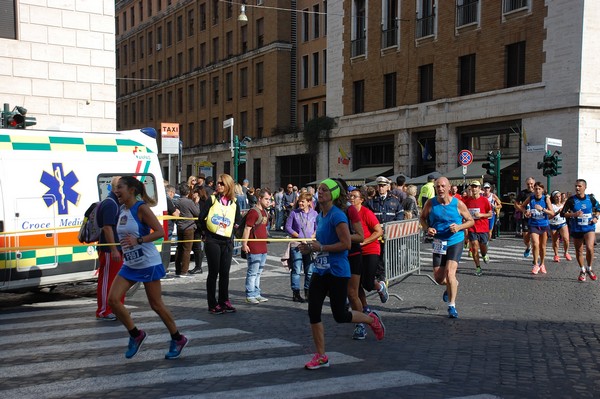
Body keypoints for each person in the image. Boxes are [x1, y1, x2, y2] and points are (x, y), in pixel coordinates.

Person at [298, 178, 385, 370]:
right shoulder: (321, 215)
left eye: (324, 190)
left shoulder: (338, 216)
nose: (319, 192)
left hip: (338, 271)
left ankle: (372, 319)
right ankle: (321, 356)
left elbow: (346, 244)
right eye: (319, 189)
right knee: (313, 310)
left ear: (334, 194)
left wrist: (322, 246)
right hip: (321, 270)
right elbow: (322, 244)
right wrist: (309, 248)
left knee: (340, 315)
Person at [108, 176, 188, 359]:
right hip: (130, 263)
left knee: (156, 304)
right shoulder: (122, 209)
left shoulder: (141, 208)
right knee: (112, 300)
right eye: (116, 188)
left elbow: (161, 232)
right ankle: (136, 334)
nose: (116, 191)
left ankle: (178, 338)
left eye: (120, 187)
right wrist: (118, 249)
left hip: (147, 262)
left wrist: (139, 240)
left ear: (132, 190)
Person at [420, 177, 474, 319]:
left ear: (449, 187)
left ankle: (452, 306)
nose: (440, 189)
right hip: (439, 242)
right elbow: (422, 218)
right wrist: (428, 228)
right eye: (438, 186)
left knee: (450, 273)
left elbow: (471, 221)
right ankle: (452, 285)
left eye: (443, 186)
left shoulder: (458, 204)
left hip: (455, 240)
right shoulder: (430, 203)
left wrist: (459, 227)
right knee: (439, 278)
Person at [198, 173, 241, 314]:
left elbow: (238, 220)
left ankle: (224, 301)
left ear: (228, 185)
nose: (219, 185)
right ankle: (212, 303)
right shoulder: (212, 199)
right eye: (218, 183)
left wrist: (234, 228)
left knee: (225, 273)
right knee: (213, 272)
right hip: (213, 240)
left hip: (227, 241)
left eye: (222, 183)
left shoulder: (234, 202)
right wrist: (206, 232)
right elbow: (200, 218)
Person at [348, 187, 386, 340]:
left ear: (361, 199)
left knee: (368, 283)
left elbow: (378, 231)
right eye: (350, 196)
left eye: (354, 196)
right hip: (354, 252)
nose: (351, 199)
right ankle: (364, 310)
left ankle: (379, 286)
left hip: (370, 249)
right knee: (355, 288)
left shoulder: (366, 212)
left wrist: (364, 241)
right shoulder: (348, 213)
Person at [561, 179, 600, 282]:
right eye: (576, 186)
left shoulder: (590, 199)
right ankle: (582, 270)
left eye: (579, 186)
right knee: (579, 250)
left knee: (590, 248)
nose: (577, 188)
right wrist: (573, 214)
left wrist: (596, 217)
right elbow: (563, 213)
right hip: (577, 228)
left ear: (585, 187)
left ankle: (590, 268)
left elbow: (598, 209)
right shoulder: (571, 200)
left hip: (589, 227)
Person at [96, 176, 124, 321]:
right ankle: (104, 310)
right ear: (117, 188)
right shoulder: (110, 204)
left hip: (116, 248)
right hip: (109, 249)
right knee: (108, 280)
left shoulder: (114, 202)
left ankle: (116, 308)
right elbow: (107, 228)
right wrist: (113, 249)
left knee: (116, 280)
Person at [366, 176, 403, 281]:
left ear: (388, 187)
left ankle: (392, 272)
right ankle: (380, 275)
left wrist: (393, 227)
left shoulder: (395, 201)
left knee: (392, 253)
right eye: (379, 186)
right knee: (379, 255)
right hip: (376, 234)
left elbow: (400, 215)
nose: (381, 188)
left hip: (390, 234)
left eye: (383, 186)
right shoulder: (371, 202)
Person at [285, 191, 317, 302]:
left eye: (302, 202)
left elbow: (318, 227)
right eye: (299, 201)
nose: (300, 204)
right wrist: (299, 237)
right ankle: (296, 293)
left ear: (309, 202)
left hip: (310, 245)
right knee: (297, 269)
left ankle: (308, 291)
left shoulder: (315, 214)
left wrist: (314, 235)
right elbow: (288, 227)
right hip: (297, 245)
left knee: (309, 270)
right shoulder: (294, 213)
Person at [241, 189, 272, 304]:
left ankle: (257, 293)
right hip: (254, 246)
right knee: (253, 272)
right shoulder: (253, 212)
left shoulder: (265, 212)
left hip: (263, 246)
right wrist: (244, 244)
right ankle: (250, 294)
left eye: (269, 199)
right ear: (260, 198)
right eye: (266, 199)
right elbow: (247, 228)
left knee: (258, 272)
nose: (268, 202)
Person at [518, 182, 554, 274]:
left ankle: (542, 264)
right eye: (536, 189)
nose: (537, 191)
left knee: (542, 246)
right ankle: (535, 264)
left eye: (539, 189)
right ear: (533, 190)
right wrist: (526, 212)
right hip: (533, 224)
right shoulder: (531, 198)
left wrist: (542, 209)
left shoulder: (546, 199)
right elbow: (521, 207)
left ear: (542, 190)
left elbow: (552, 213)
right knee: (535, 243)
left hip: (544, 225)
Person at [462, 180, 492, 276]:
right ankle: (478, 267)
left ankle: (484, 254)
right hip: (472, 227)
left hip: (483, 227)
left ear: (480, 189)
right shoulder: (467, 201)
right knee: (474, 247)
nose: (474, 189)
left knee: (483, 246)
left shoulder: (484, 200)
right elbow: (463, 212)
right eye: (473, 187)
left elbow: (490, 213)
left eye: (476, 187)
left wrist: (481, 215)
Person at [174, 184, 199, 276]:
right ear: (188, 192)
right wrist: (196, 203)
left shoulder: (177, 201)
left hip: (180, 226)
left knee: (179, 248)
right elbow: (197, 213)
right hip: (188, 227)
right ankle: (184, 270)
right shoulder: (189, 202)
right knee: (187, 250)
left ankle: (177, 269)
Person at [189, 185, 208, 275]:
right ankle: (198, 266)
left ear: (197, 194)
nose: (192, 195)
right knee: (196, 247)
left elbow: (199, 214)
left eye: (193, 193)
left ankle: (198, 267)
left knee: (197, 247)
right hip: (198, 227)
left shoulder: (202, 203)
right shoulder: (196, 202)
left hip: (200, 227)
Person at [549, 190, 571, 263]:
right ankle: (556, 255)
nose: (558, 198)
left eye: (559, 196)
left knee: (566, 239)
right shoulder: (551, 205)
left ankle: (566, 252)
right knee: (555, 241)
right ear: (553, 198)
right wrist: (557, 212)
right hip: (553, 224)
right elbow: (549, 216)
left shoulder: (563, 204)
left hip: (562, 223)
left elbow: (567, 212)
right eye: (556, 197)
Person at [516, 177, 535, 257]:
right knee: (526, 237)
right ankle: (528, 247)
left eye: (531, 184)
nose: (530, 185)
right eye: (528, 184)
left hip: (536, 219)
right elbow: (516, 204)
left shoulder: (538, 192)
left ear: (534, 183)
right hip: (526, 218)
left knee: (535, 238)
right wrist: (523, 210)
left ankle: (536, 258)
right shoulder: (523, 193)